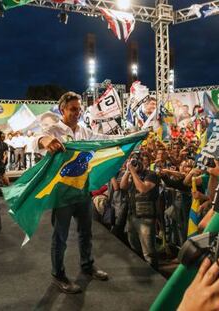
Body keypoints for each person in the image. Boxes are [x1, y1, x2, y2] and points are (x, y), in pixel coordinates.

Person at [36, 91, 110, 294]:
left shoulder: (85, 132)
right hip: (63, 195)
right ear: (63, 110)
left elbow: (105, 140)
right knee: (60, 236)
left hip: (83, 192)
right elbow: (39, 139)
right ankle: (58, 274)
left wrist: (133, 137)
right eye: (73, 109)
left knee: (86, 232)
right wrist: (44, 142)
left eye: (79, 109)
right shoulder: (54, 129)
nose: (77, 112)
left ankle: (87, 265)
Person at [120, 156, 160, 269]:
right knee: (134, 245)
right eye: (132, 162)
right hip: (132, 215)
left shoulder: (151, 175)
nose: (134, 164)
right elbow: (122, 186)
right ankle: (141, 268)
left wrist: (133, 172)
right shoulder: (133, 174)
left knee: (148, 251)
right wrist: (128, 171)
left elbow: (143, 189)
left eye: (137, 162)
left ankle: (154, 271)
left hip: (146, 217)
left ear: (144, 162)